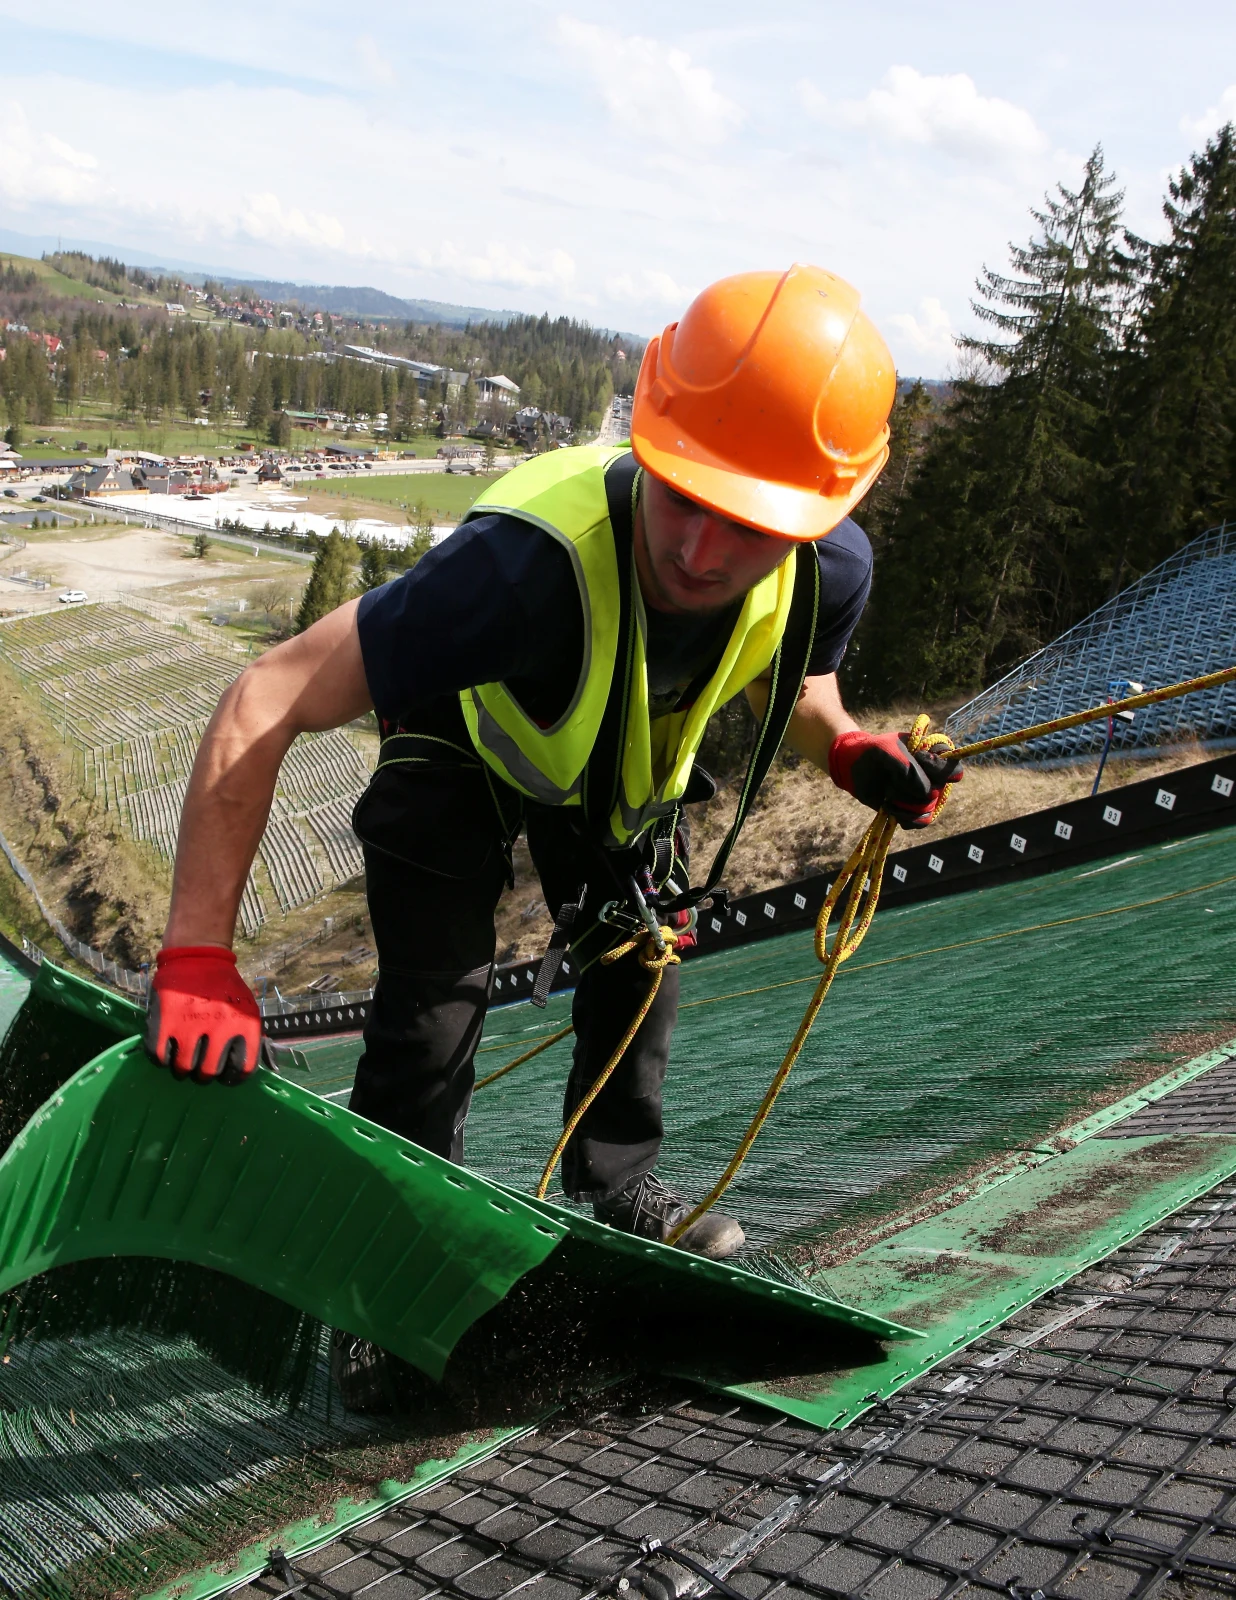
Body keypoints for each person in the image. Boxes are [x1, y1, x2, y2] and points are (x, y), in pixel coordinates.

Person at [146, 264, 960, 1265]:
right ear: (651, 443)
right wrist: (196, 954)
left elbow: (791, 682)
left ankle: (619, 1192)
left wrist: (845, 747)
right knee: (434, 1014)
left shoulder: (831, 572)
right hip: (467, 741)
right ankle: (389, 1256)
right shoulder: (517, 569)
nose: (701, 552)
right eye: (683, 498)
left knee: (638, 960)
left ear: (815, 517)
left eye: (747, 527)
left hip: (612, 776)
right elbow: (267, 695)